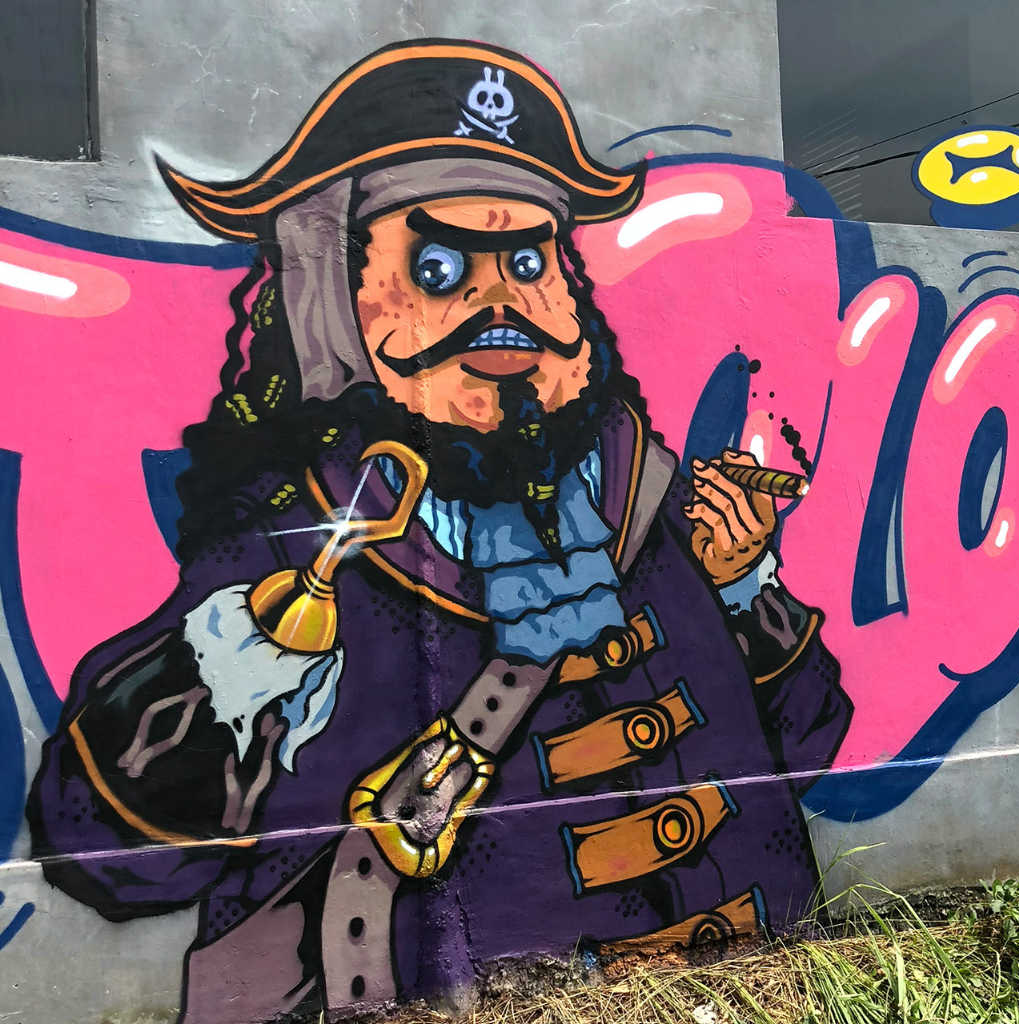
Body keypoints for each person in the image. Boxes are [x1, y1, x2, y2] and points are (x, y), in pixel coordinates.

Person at [27, 39, 851, 1023]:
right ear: (340, 308)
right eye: (439, 264)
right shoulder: (305, 538)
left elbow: (811, 743)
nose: (499, 302)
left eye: (530, 261)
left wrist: (744, 589)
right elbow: (107, 857)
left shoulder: (648, 492)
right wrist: (230, 679)